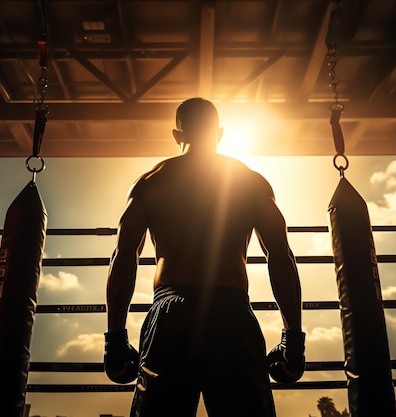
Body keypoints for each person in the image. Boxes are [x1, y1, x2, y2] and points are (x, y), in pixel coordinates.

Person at [104, 97, 305, 417]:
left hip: (171, 314)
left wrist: (114, 341)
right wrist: (293, 340)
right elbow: (280, 256)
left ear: (176, 135)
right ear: (220, 133)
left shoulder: (150, 182)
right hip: (231, 313)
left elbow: (124, 257)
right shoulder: (250, 181)